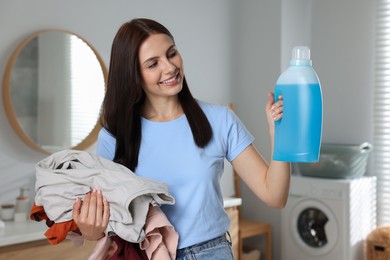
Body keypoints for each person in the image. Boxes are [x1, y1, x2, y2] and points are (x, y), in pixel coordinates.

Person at [72, 18, 291, 259]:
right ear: (133, 74)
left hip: (212, 253)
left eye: (171, 53)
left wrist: (279, 135)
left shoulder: (220, 120)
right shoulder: (114, 137)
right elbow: (103, 224)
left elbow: (275, 196)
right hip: (146, 254)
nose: (169, 67)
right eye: (153, 64)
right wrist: (90, 229)